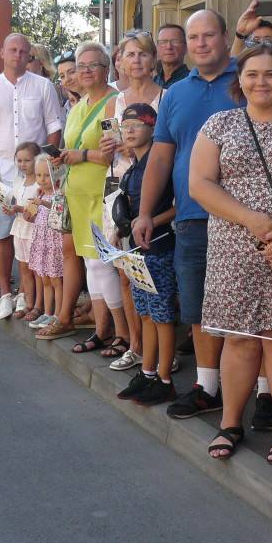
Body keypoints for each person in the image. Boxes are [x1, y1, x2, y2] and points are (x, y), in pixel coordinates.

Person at [190, 39, 272, 463]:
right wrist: (252, 220)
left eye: (270, 73)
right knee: (240, 339)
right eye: (251, 74)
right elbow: (200, 185)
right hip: (234, 246)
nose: (260, 81)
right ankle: (230, 423)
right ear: (240, 79)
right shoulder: (220, 124)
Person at [132, 9, 242, 419]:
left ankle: (264, 393)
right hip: (192, 217)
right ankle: (208, 386)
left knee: (254, 306)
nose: (200, 44)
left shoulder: (247, 79)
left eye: (208, 35)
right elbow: (160, 158)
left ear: (225, 37)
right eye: (193, 37)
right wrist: (145, 212)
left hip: (244, 216)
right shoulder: (175, 92)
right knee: (196, 306)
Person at [39, 42, 129, 351]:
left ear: (107, 70)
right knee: (92, 266)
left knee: (104, 265)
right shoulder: (77, 107)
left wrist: (81, 154)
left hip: (102, 195)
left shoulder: (113, 102)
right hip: (78, 195)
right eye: (81, 66)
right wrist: (62, 157)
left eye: (93, 65)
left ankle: (122, 333)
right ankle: (102, 329)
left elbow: (114, 153)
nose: (86, 71)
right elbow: (76, 150)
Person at [0, 33, 63, 319]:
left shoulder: (44, 86)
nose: (18, 55)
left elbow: (54, 126)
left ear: (30, 56)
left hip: (35, 179)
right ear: (1, 52)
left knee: (32, 236)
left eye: (25, 52)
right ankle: (6, 294)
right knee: (3, 236)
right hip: (0, 175)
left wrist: (47, 168)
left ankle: (27, 295)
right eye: (13, 50)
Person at [100, 29, 166, 370]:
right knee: (124, 271)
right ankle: (136, 344)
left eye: (142, 54)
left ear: (153, 59)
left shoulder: (165, 96)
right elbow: (106, 147)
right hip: (120, 187)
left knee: (151, 271)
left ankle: (158, 348)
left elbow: (170, 145)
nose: (136, 60)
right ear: (121, 62)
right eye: (130, 54)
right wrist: (112, 146)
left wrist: (140, 147)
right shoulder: (116, 101)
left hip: (153, 188)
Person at [113, 103, 179, 406]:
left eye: (138, 123)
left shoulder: (162, 160)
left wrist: (151, 221)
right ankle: (148, 371)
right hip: (137, 248)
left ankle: (165, 379)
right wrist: (120, 229)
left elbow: (180, 206)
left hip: (161, 245)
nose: (129, 129)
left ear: (153, 129)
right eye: (126, 124)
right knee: (147, 314)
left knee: (163, 316)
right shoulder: (134, 164)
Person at [27, 154, 64, 329]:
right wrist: (23, 212)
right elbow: (35, 217)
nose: (42, 180)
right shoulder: (39, 193)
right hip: (42, 244)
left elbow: (59, 210)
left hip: (54, 245)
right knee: (45, 280)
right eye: (39, 175)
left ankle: (59, 314)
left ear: (56, 174)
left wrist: (42, 202)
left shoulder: (59, 194)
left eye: (47, 175)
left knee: (56, 280)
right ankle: (48, 313)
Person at [7, 142, 41, 319]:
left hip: (33, 233)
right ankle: (29, 303)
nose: (22, 164)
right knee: (24, 269)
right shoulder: (17, 181)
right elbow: (19, 207)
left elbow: (35, 210)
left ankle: (38, 305)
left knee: (37, 271)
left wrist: (19, 209)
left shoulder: (39, 184)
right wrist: (12, 209)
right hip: (19, 230)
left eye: (27, 160)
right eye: (19, 160)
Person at [154, 23, 189, 89]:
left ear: (185, 48)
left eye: (175, 41)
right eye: (163, 42)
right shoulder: (152, 83)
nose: (169, 47)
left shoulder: (193, 82)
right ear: (157, 48)